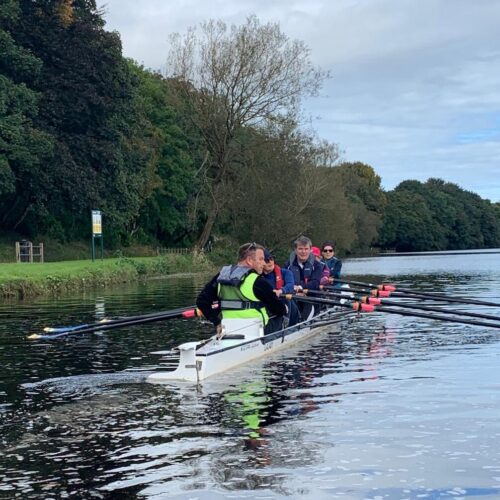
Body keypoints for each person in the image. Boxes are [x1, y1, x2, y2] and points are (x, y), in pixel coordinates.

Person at [196, 242, 287, 336]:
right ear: (249, 260)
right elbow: (279, 310)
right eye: (261, 259)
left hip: (228, 330)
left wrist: (217, 322)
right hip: (257, 332)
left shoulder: (221, 278)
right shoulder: (258, 281)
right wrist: (284, 308)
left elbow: (201, 301)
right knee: (285, 310)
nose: (264, 263)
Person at [283, 236, 324, 320]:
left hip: (311, 299)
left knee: (304, 318)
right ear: (295, 250)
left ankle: (305, 321)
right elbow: (284, 282)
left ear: (310, 250)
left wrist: (301, 287)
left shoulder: (317, 265)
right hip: (293, 298)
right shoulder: (288, 265)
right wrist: (295, 291)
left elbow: (315, 283)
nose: (303, 252)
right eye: (300, 249)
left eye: (306, 249)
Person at [262, 249, 300, 327]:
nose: (270, 262)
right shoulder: (258, 277)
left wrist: (281, 291)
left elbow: (290, 285)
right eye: (266, 260)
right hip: (270, 307)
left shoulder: (286, 272)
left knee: (287, 299)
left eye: (271, 259)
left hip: (288, 304)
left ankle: (288, 324)